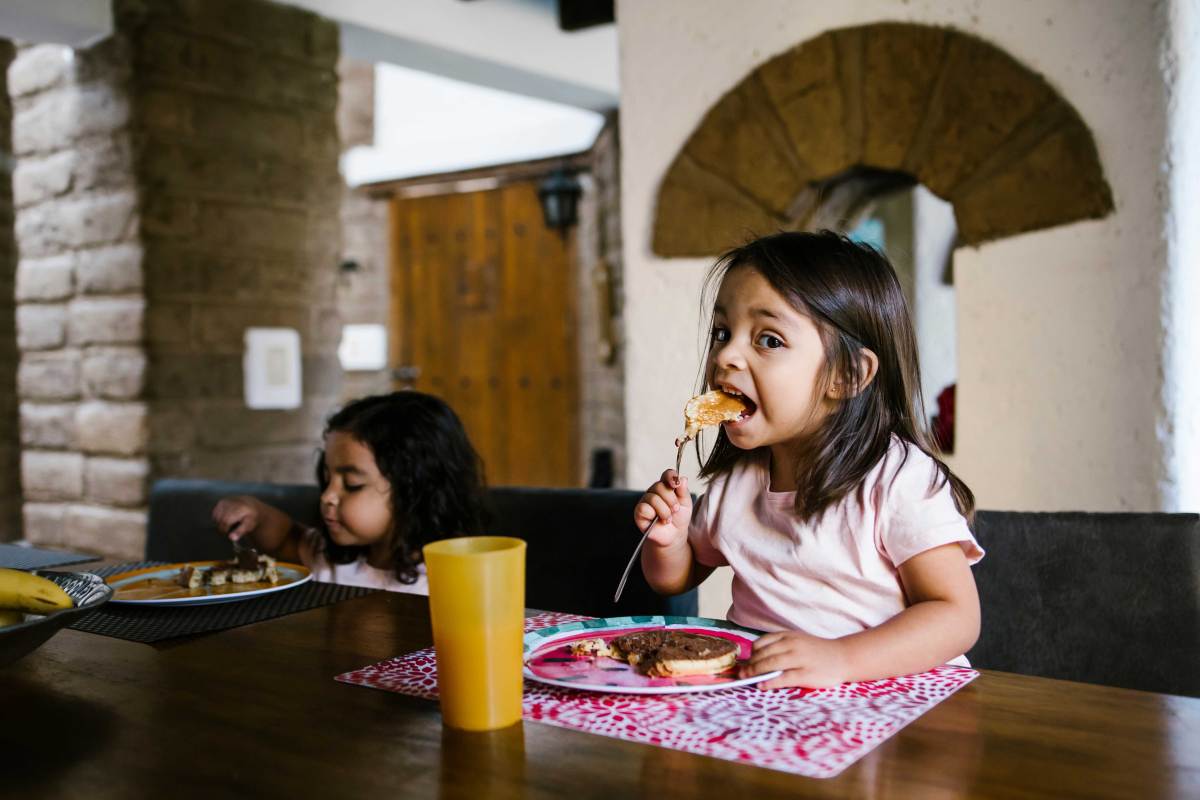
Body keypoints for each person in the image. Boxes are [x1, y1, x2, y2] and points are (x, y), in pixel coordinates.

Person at [636, 230, 983, 689]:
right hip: (772, 706)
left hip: (893, 708)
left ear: (847, 375)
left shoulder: (899, 481)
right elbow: (677, 578)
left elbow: (956, 615)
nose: (725, 355)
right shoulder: (738, 481)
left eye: (769, 339)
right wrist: (668, 541)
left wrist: (842, 658)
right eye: (723, 332)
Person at [212, 391, 487, 593]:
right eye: (327, 478)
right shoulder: (329, 558)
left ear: (414, 491)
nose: (327, 496)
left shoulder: (451, 579)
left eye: (352, 485)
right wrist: (255, 513)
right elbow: (285, 537)